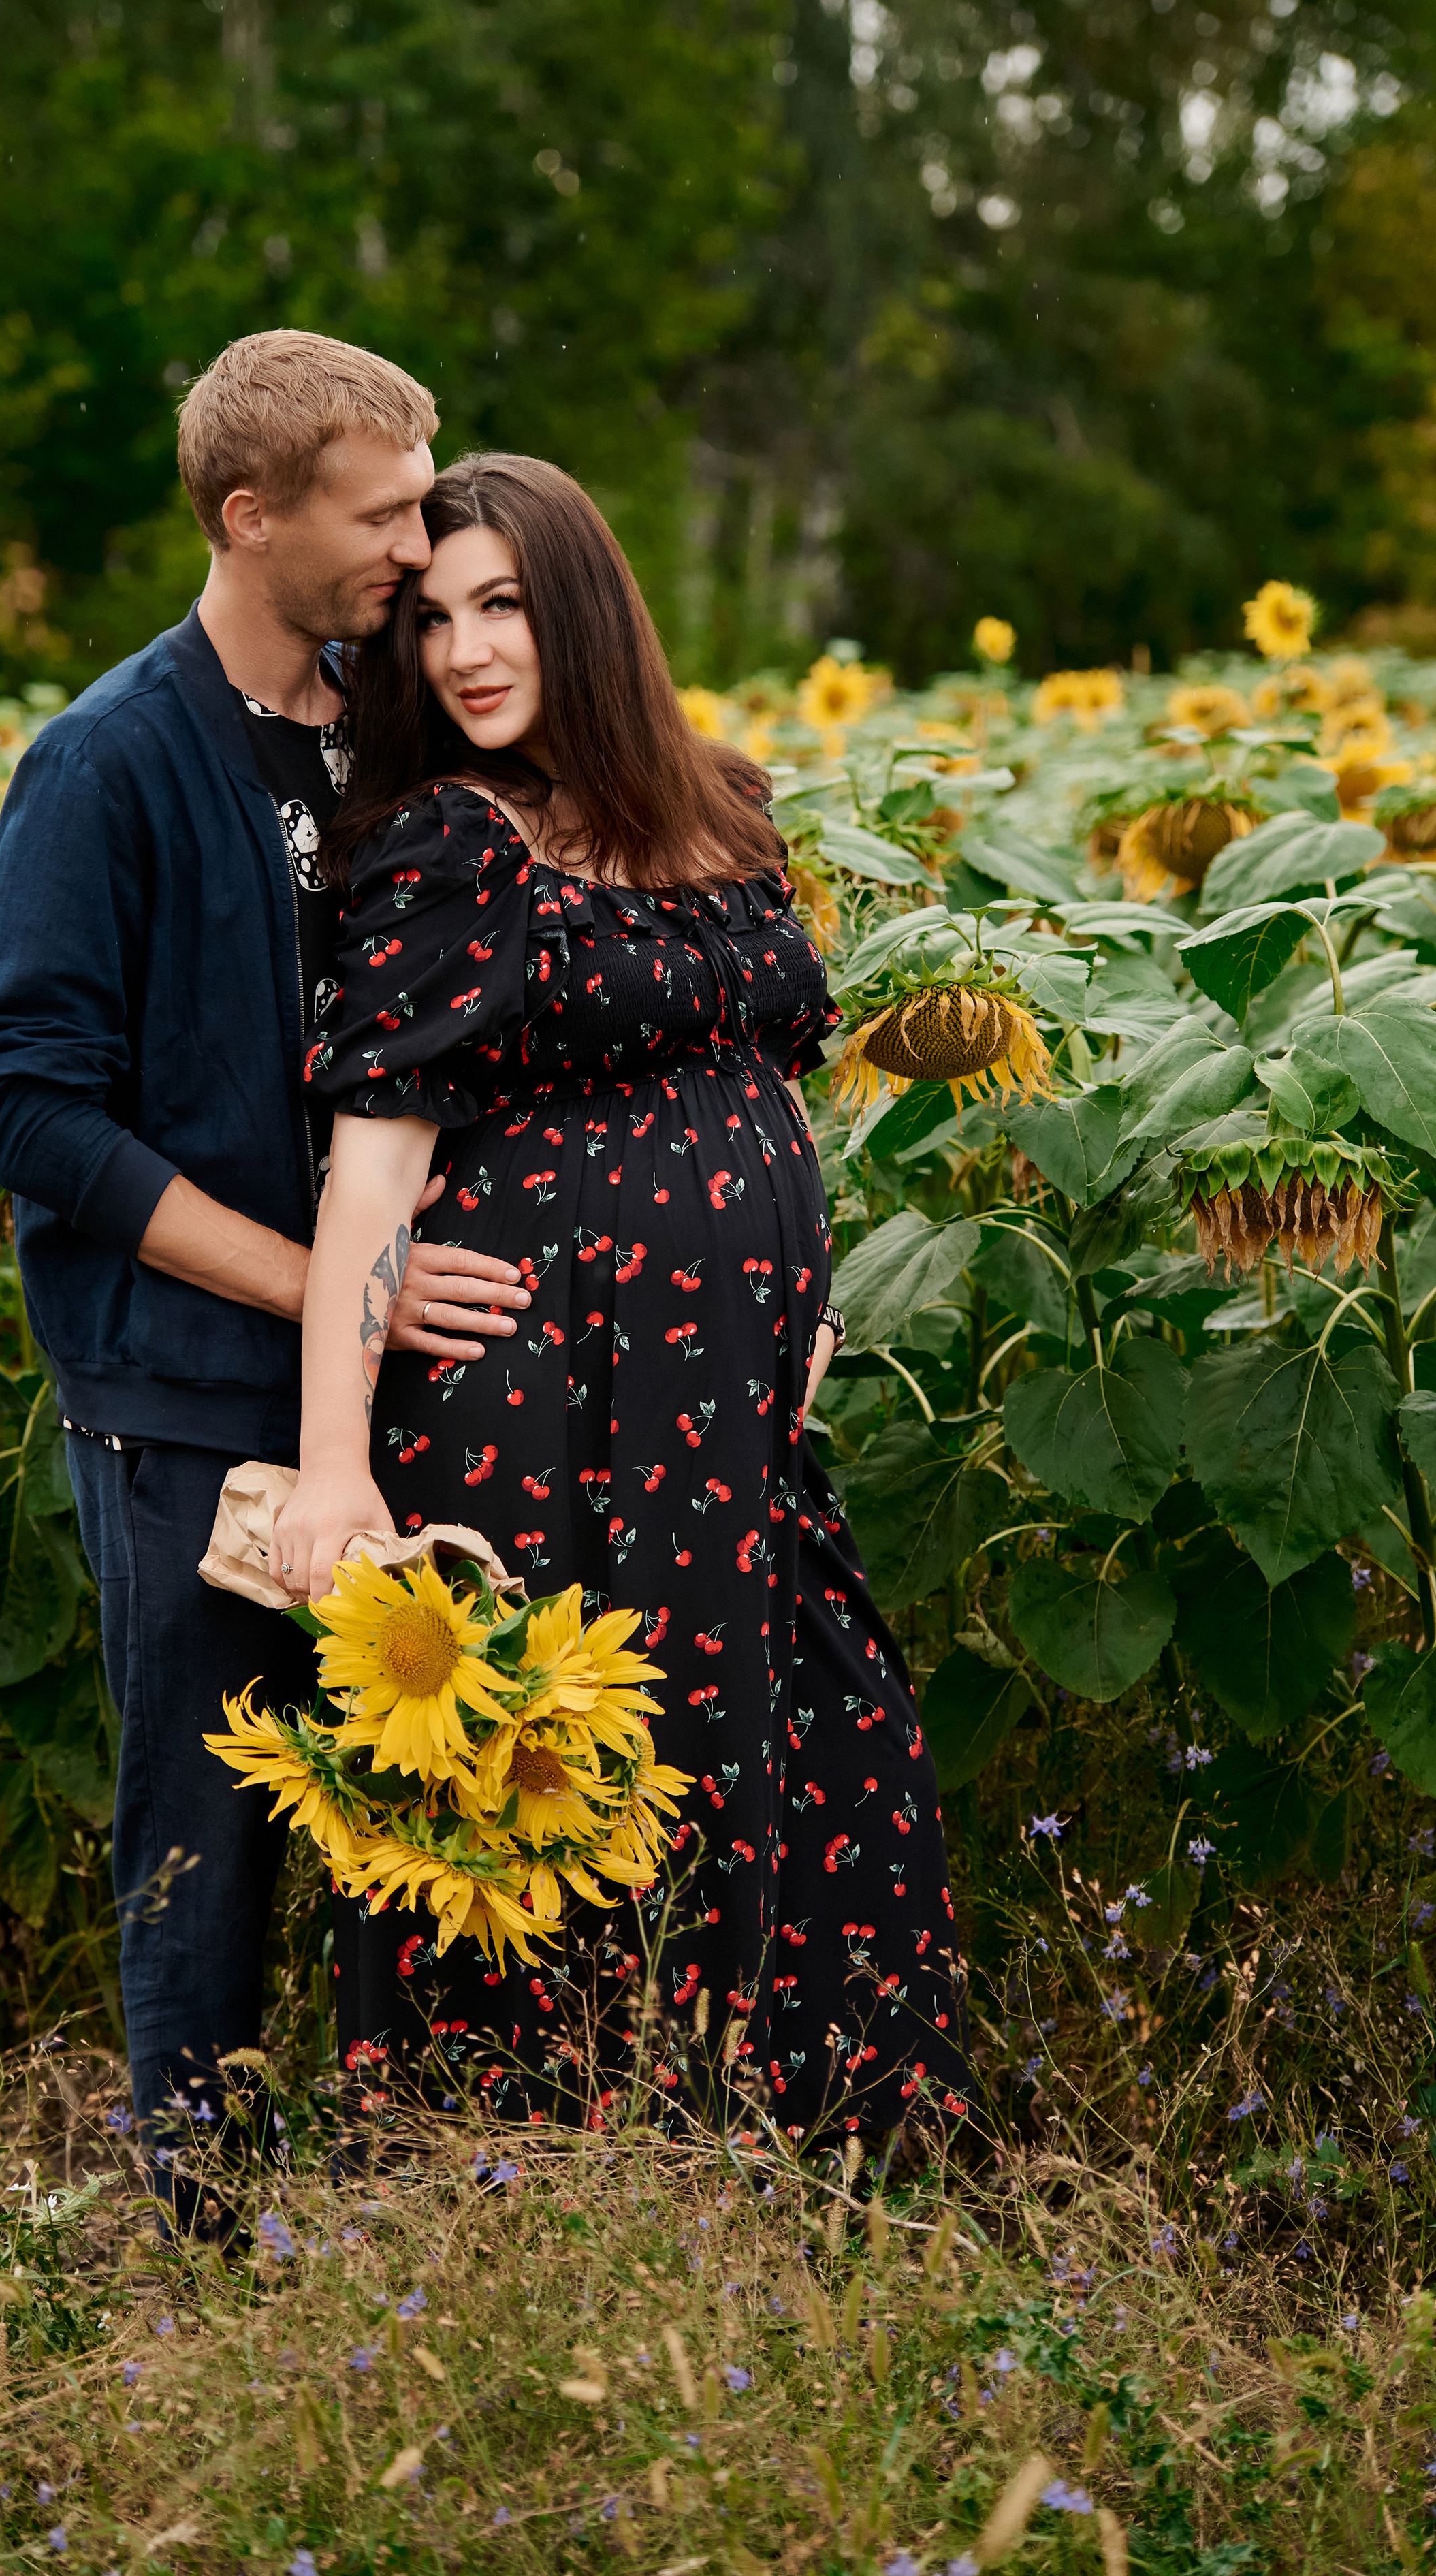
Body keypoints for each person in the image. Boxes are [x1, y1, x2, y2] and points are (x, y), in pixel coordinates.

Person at [274, 453, 968, 2144]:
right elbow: (372, 1167)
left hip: (724, 1405)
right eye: (429, 620)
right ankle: (528, 2179)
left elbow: (770, 1074)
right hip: (546, 1404)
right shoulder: (454, 842)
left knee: (802, 1748)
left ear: (581, 606)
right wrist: (333, 1464)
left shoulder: (719, 804)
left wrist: (805, 1298)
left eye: (500, 604)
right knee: (553, 1787)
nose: (462, 655)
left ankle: (787, 2155)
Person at [0, 335, 534, 2192]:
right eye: (379, 512)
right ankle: (193, 2221)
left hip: (406, 1378)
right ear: (246, 513)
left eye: (424, 496)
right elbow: (38, 1123)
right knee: (204, 1825)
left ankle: (411, 2194)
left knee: (423, 1809)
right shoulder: (107, 761)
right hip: (185, 1396)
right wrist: (323, 1291)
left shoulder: (399, 722)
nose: (416, 543)